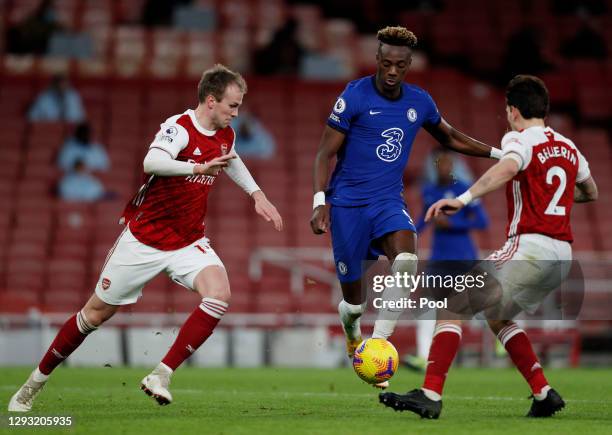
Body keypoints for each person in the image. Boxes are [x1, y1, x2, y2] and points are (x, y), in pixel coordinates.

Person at [9, 64, 283, 412]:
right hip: (144, 241)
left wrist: (257, 194)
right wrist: (195, 168)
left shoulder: (225, 133)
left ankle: (161, 374)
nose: (237, 112)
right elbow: (152, 161)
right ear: (211, 101)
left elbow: (232, 161)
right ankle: (34, 383)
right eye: (233, 105)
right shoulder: (179, 128)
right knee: (93, 315)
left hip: (187, 242)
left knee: (219, 294)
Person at [379, 75, 598, 418]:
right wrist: (550, 200)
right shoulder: (570, 147)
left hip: (529, 247)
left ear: (512, 111)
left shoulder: (519, 139)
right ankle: (543, 393)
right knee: (498, 316)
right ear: (545, 109)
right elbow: (591, 192)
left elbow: (507, 168)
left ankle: (430, 394)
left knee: (453, 306)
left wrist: (463, 198)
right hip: (562, 255)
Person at [309, 26, 502, 387]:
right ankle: (353, 330)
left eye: (400, 65)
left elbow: (451, 136)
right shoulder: (354, 96)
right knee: (354, 305)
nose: (392, 71)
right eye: (386, 63)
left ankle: (378, 343)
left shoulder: (420, 102)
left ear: (409, 64)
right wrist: (321, 201)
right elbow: (324, 152)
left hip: (387, 202)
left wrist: (500, 154)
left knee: (407, 261)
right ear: (377, 61)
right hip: (348, 206)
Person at [404, 148, 488, 371]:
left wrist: (454, 225)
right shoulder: (429, 190)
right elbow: (424, 219)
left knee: (480, 306)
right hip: (439, 257)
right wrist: (408, 234)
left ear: (454, 165)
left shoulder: (464, 190)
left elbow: (482, 222)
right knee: (426, 305)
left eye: (448, 163)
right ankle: (423, 357)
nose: (444, 167)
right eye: (440, 163)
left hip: (464, 257)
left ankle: (503, 342)